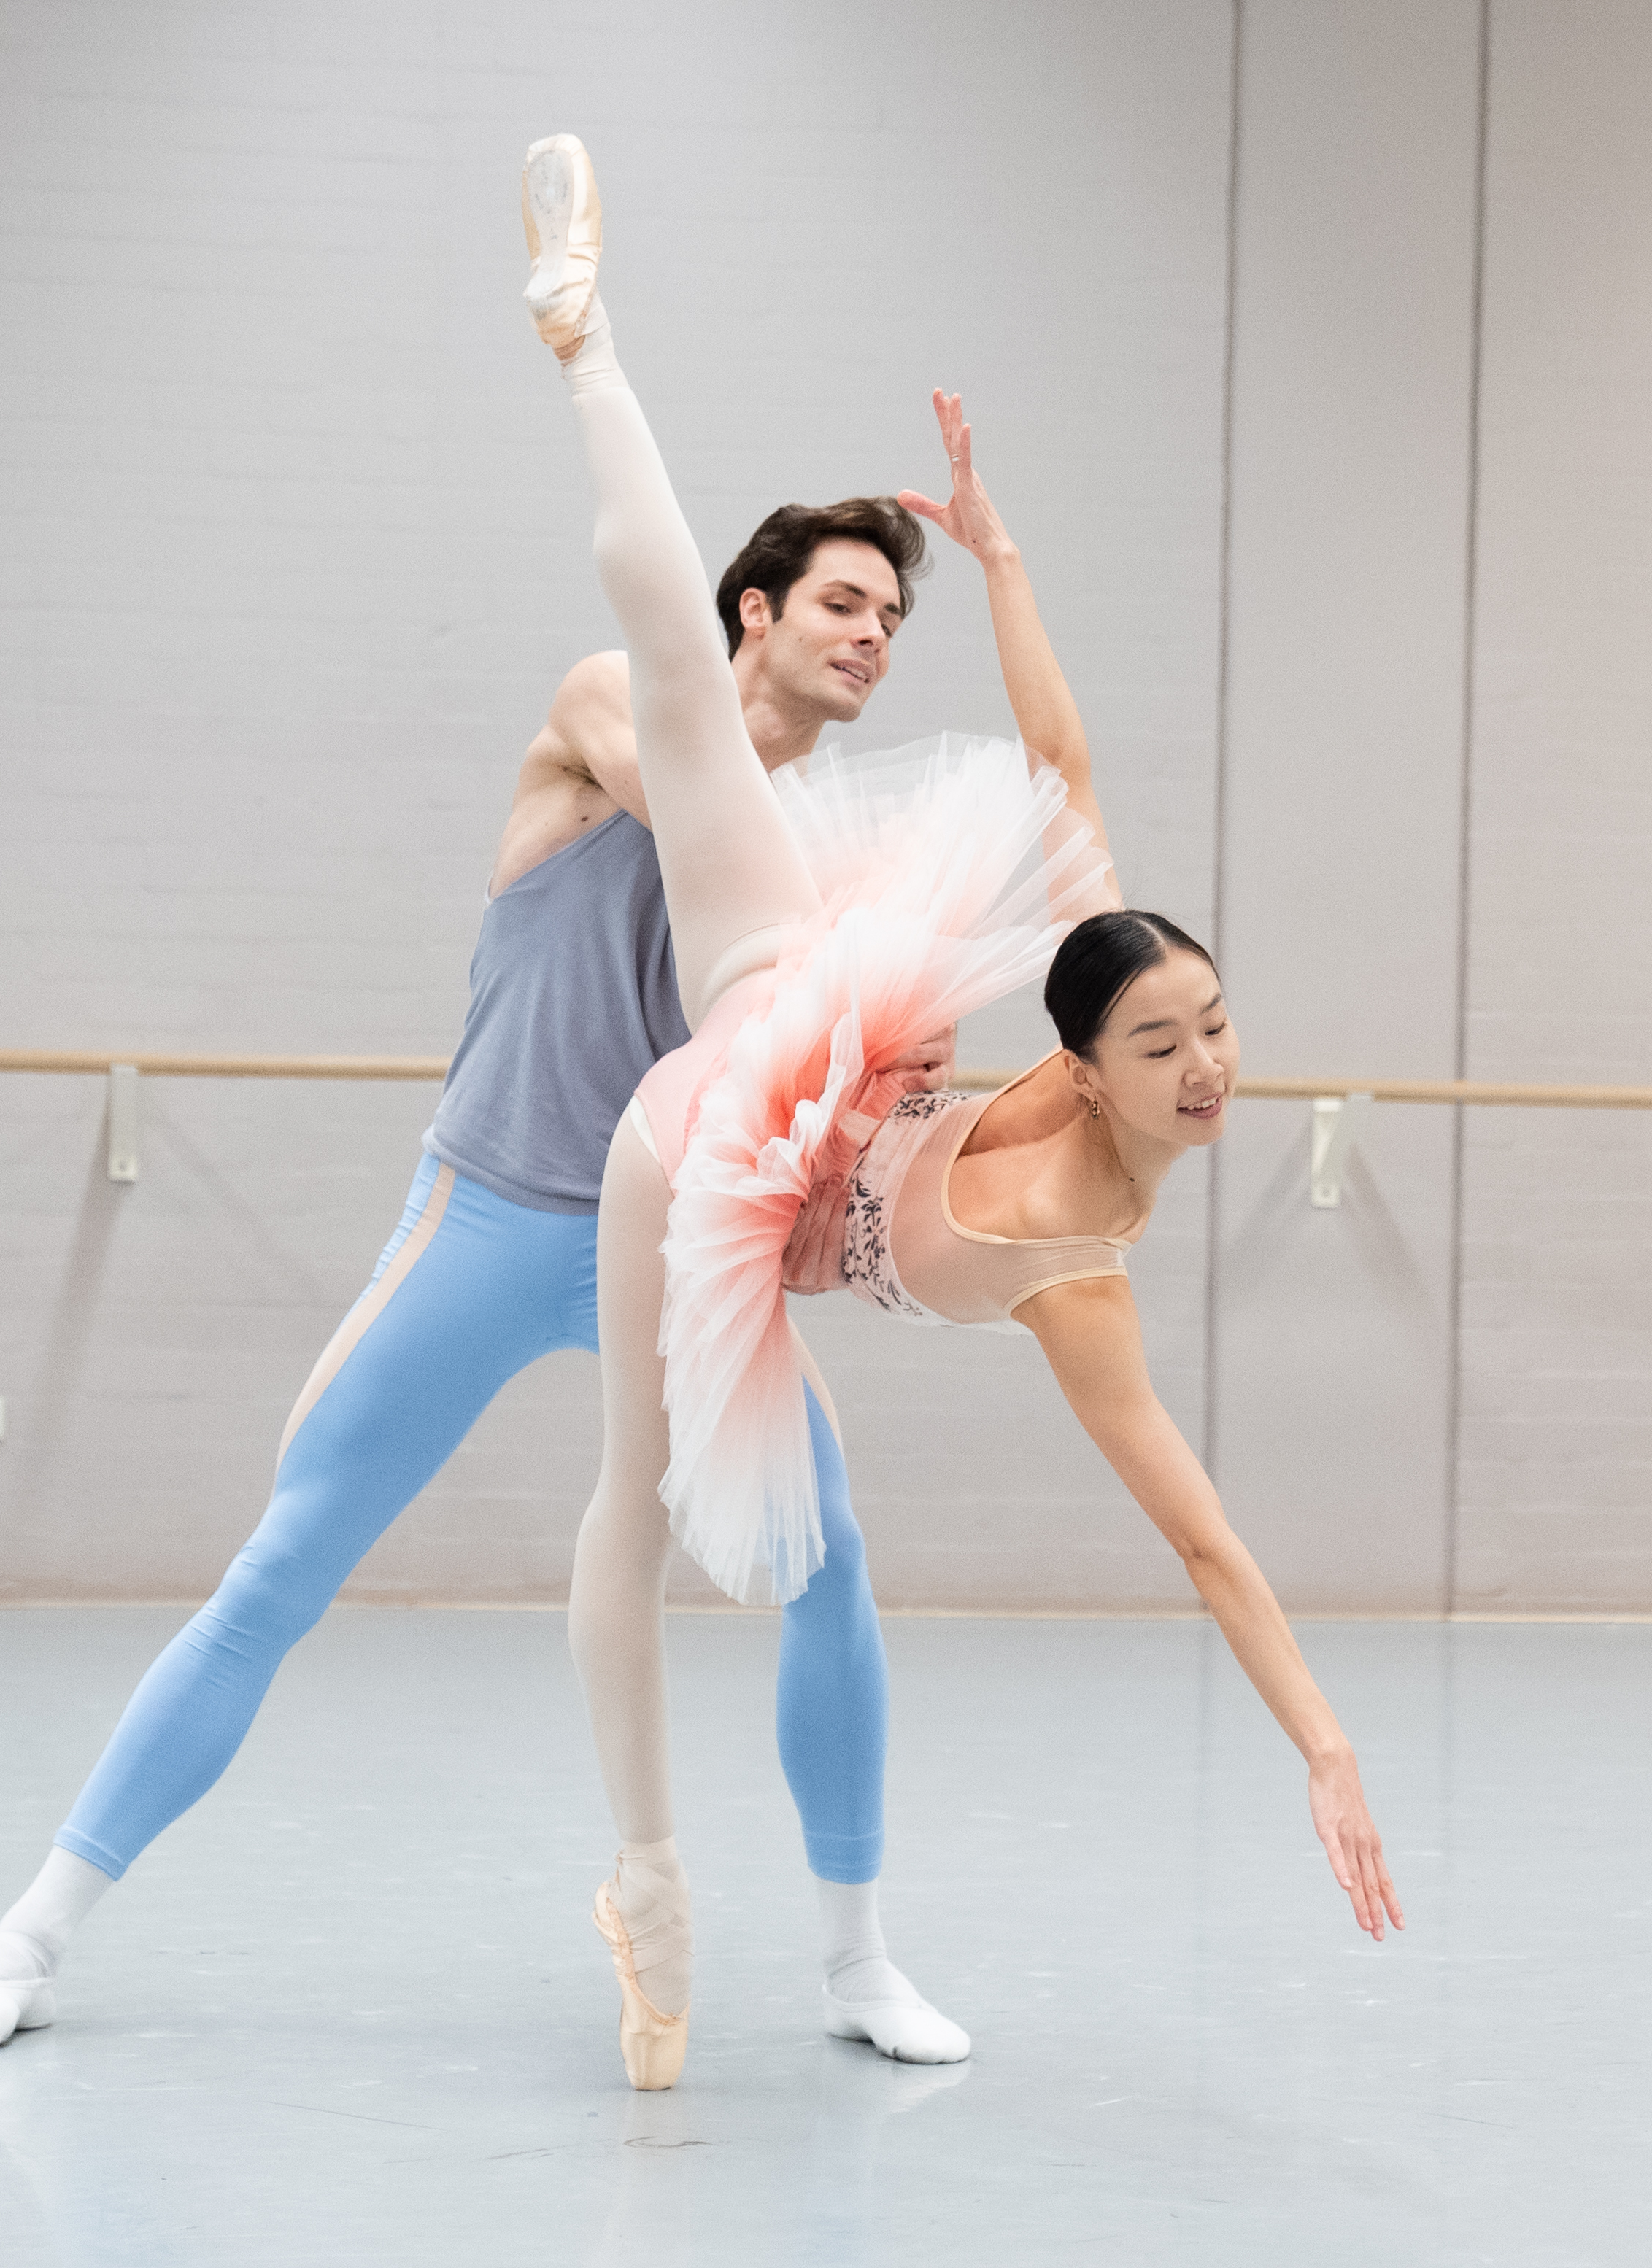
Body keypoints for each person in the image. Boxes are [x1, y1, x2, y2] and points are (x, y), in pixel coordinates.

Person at [0, 364, 958, 2062]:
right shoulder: (608, 698)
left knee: (828, 1565)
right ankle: (31, 1935)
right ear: (747, 613)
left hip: (676, 1251)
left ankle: (856, 1965)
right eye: (842, 602)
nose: (872, 637)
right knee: (283, 1563)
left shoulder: (825, 844)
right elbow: (698, 825)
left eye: (894, 619)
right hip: (495, 1214)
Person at [517, 133, 1404, 2093]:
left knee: (663, 1505)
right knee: (674, 679)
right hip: (779, 1046)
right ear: (1088, 1060)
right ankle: (583, 337)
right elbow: (1065, 762)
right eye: (1172, 1036)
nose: (1212, 1066)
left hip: (724, 1193)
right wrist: (998, 561)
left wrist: (1327, 1739)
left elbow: (1209, 1543)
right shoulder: (1038, 1085)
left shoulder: (1084, 1280)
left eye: (1224, 1031)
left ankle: (668, 1887)